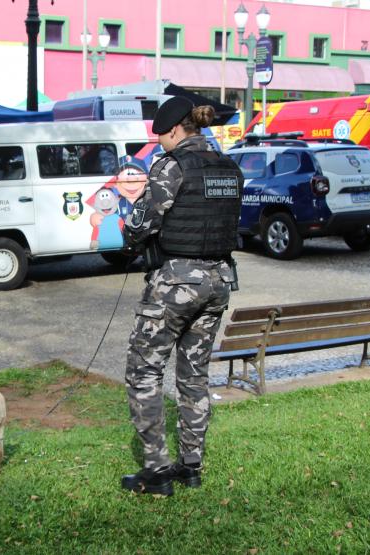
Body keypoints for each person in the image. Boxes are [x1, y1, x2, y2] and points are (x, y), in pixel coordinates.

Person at [120, 97, 242, 496]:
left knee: (144, 372)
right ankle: (191, 466)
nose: (159, 143)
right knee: (194, 376)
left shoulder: (171, 168)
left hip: (175, 284)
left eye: (160, 136)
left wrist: (129, 231)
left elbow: (140, 225)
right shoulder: (228, 167)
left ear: (175, 130)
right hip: (218, 282)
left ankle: (156, 471)